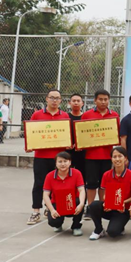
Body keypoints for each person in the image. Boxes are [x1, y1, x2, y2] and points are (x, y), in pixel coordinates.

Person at [27, 89, 71, 225]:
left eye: (57, 98)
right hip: (41, 156)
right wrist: (29, 145)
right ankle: (36, 211)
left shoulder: (64, 116)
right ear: (46, 99)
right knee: (39, 183)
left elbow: (68, 135)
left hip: (58, 158)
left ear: (61, 101)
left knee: (56, 184)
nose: (54, 100)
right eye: (52, 97)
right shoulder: (37, 115)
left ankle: (50, 208)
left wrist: (69, 143)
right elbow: (30, 133)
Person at [82, 89, 120, 221]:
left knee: (104, 184)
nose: (103, 102)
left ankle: (102, 206)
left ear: (109, 100)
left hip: (107, 156)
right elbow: (81, 134)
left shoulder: (114, 115)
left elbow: (117, 134)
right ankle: (90, 207)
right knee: (91, 183)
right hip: (91, 156)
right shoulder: (87, 115)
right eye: (100, 99)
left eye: (105, 99)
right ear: (95, 100)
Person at [89, 146, 131, 240]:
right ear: (111, 159)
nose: (117, 159)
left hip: (123, 209)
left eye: (120, 156)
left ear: (125, 158)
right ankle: (98, 230)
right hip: (110, 208)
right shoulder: (106, 175)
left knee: (113, 232)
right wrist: (106, 202)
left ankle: (120, 226)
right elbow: (104, 193)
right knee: (94, 205)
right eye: (114, 157)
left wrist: (123, 202)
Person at [42, 151, 86, 236]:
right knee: (53, 222)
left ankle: (76, 226)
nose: (63, 164)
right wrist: (52, 210)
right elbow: (46, 194)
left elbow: (81, 190)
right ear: (56, 163)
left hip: (72, 202)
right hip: (57, 203)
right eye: (60, 161)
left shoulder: (77, 173)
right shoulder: (50, 176)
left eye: (65, 161)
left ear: (70, 162)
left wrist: (81, 204)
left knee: (79, 202)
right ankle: (58, 224)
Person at [66, 94, 86, 179]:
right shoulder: (65, 117)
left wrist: (82, 145)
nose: (76, 103)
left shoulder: (86, 117)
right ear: (69, 103)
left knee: (81, 176)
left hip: (82, 152)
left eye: (78, 101)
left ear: (82, 103)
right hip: (67, 151)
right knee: (67, 175)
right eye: (74, 101)